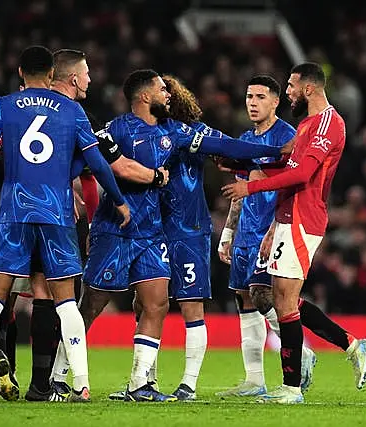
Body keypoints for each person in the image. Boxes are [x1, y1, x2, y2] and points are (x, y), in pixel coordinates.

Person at [68, 69, 289, 402]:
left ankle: (188, 383)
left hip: (189, 229)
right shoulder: (144, 131)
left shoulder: (193, 133)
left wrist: (263, 158)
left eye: (169, 92)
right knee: (146, 305)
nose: (167, 97)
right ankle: (144, 382)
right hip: (154, 228)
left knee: (189, 305)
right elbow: (103, 167)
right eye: (161, 91)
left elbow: (230, 148)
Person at [0, 45, 130, 403]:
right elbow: (98, 164)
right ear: (52, 74)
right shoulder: (72, 110)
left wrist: (2, 170)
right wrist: (118, 200)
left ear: (21, 72)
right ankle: (81, 385)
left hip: (14, 211)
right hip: (56, 213)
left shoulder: (3, 106)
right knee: (65, 301)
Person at [222, 62, 366, 404]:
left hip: (306, 218)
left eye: (290, 87)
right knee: (278, 298)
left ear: (308, 89)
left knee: (284, 302)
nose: (287, 91)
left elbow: (303, 175)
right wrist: (241, 167)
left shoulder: (328, 124)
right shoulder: (307, 124)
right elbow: (287, 167)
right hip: (288, 217)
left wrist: (251, 189)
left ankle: (292, 387)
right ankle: (351, 345)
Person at [216, 75, 315, 397]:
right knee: (244, 299)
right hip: (246, 229)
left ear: (276, 102)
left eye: (260, 97)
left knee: (266, 297)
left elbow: (295, 189)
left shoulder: (288, 138)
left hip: (272, 230)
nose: (253, 103)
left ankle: (303, 353)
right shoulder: (246, 139)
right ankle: (255, 379)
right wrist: (229, 232)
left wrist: (276, 228)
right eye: (249, 96)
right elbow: (241, 191)